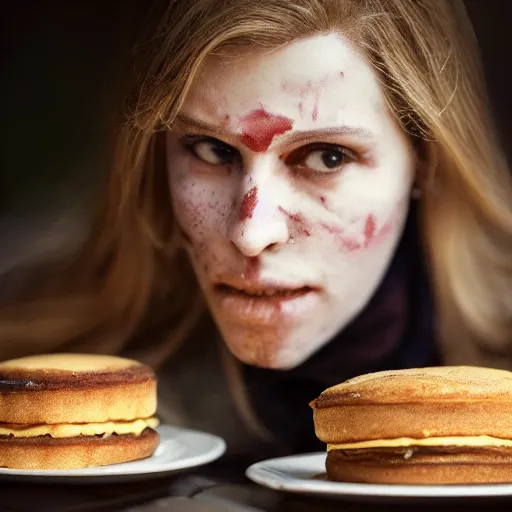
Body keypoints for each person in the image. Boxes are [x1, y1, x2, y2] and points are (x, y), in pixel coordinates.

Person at [1, 0, 512, 463]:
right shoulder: (40, 405)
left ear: (424, 161)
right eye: (211, 150)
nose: (250, 234)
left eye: (326, 156)